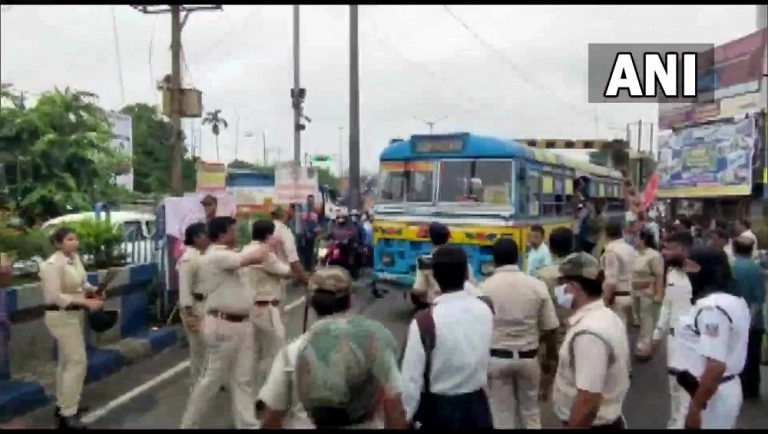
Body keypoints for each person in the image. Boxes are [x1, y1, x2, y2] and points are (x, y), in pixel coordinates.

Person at [260, 267, 406, 429]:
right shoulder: (376, 345)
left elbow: (271, 419)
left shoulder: (292, 352)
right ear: (350, 300)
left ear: (310, 302)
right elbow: (394, 409)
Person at [179, 217, 280, 429]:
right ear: (224, 233)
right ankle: (189, 425)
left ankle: (248, 425)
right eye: (233, 230)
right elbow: (255, 258)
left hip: (242, 324)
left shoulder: (229, 254)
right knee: (211, 380)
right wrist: (269, 243)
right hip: (223, 325)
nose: (236, 234)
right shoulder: (216, 256)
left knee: (243, 380)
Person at [401, 245, 493, 429]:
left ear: (434, 277)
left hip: (439, 411)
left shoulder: (424, 321)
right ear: (467, 274)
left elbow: (411, 380)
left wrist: (406, 416)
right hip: (478, 407)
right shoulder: (485, 310)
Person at [480, 237, 559, 428]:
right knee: (531, 411)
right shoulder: (536, 285)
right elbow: (550, 327)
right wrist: (550, 357)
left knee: (501, 414)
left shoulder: (483, 289)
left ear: (494, 259)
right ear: (517, 257)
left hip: (496, 358)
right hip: (529, 358)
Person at [670, 246, 750, 429]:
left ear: (709, 270)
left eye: (692, 267)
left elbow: (715, 367)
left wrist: (696, 408)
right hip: (715, 390)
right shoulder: (733, 299)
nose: (687, 272)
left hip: (709, 395)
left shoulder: (712, 308)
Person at [551, 252, 630, 429]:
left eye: (560, 285)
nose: (557, 292)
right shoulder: (606, 316)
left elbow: (588, 401)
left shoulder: (589, 333)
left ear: (572, 287)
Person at [39, 227, 105, 429]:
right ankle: (68, 415)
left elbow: (82, 283)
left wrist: (93, 291)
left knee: (66, 362)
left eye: (75, 239)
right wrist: (87, 304)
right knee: (78, 362)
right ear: (58, 243)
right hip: (60, 316)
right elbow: (54, 296)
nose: (74, 242)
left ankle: (64, 405)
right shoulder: (51, 265)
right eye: (69, 239)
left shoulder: (75, 259)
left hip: (74, 315)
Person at [240, 220, 293, 402]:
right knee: (275, 352)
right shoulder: (266, 255)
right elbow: (287, 271)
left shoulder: (245, 250)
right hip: (266, 308)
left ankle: (251, 394)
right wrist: (281, 251)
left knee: (254, 353)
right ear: (269, 235)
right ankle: (269, 395)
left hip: (250, 308)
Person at [648, 230, 695, 428]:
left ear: (683, 249)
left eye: (669, 249)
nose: (664, 252)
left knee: (688, 389)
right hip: (673, 340)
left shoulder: (698, 275)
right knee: (673, 387)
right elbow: (667, 305)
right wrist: (657, 336)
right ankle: (674, 421)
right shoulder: (671, 272)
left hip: (694, 341)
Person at [533, 226, 576, 401]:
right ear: (572, 246)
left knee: (548, 362)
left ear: (550, 247)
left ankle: (545, 391)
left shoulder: (542, 275)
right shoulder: (582, 271)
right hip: (575, 325)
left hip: (549, 328)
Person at [729, 235, 765, 399]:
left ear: (735, 249)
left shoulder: (731, 267)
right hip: (755, 322)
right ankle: (753, 389)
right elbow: (758, 299)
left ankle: (739, 389)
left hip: (735, 319)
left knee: (737, 356)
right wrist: (750, 320)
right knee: (753, 356)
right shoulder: (757, 269)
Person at [410, 222, 475, 309]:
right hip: (461, 303)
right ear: (448, 238)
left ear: (431, 239)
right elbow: (472, 284)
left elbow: (420, 290)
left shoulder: (424, 261)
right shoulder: (461, 259)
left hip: (435, 305)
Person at [177, 222, 210, 383]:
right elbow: (184, 288)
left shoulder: (202, 255)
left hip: (206, 306)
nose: (208, 237)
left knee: (208, 348)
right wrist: (189, 314)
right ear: (196, 237)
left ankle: (208, 380)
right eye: (205, 234)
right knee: (198, 349)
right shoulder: (189, 259)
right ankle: (199, 382)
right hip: (195, 308)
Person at [631, 228, 664, 359]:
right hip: (633, 290)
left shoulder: (653, 255)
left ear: (643, 239)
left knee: (646, 318)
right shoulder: (634, 253)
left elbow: (659, 276)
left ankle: (644, 346)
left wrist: (658, 293)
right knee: (635, 319)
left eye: (637, 237)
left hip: (647, 291)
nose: (634, 240)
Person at [600, 218, 637, 331]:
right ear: (622, 231)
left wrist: (605, 302)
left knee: (617, 333)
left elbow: (611, 280)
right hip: (631, 295)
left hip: (617, 298)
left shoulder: (611, 251)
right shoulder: (630, 249)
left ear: (604, 232)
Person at [270, 205, 310, 307]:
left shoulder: (265, 228)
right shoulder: (284, 231)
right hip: (278, 278)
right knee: (275, 314)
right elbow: (293, 261)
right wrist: (307, 281)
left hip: (261, 279)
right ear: (284, 214)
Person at [298, 194, 320, 272]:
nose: (311, 202)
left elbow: (316, 225)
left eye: (312, 200)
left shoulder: (315, 214)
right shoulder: (303, 213)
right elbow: (302, 224)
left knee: (311, 252)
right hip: (304, 236)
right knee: (304, 253)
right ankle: (304, 269)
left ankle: (309, 268)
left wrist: (317, 231)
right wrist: (306, 232)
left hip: (312, 236)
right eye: (310, 200)